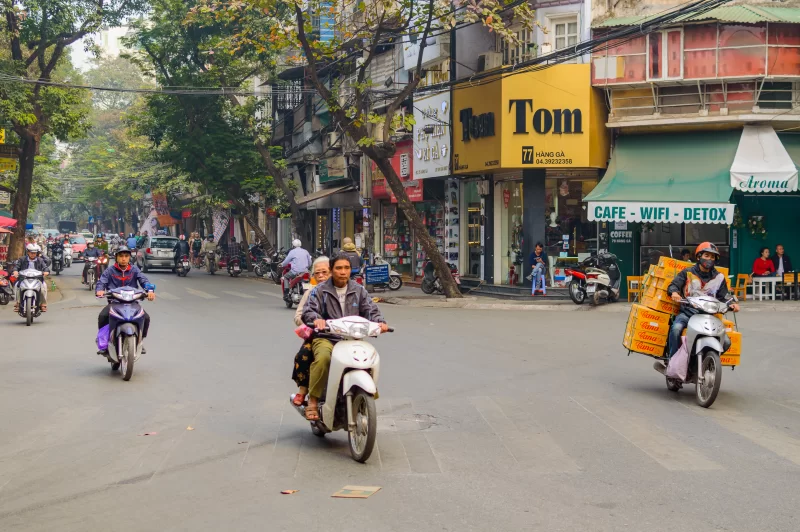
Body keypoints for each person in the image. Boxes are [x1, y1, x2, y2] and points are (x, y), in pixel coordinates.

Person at [301, 253, 389, 421]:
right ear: (332, 270)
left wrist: (380, 322)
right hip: (327, 337)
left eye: (346, 268)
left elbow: (371, 309)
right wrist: (316, 319)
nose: (343, 272)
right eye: (339, 268)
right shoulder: (320, 290)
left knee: (368, 359)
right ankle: (312, 400)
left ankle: (366, 396)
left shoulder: (359, 290)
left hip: (352, 338)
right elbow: (309, 310)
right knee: (323, 359)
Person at [664, 242, 739, 365]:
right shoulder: (687, 272)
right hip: (688, 314)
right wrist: (674, 293)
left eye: (712, 257)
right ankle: (673, 362)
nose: (709, 259)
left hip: (709, 316)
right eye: (706, 255)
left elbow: (724, 296)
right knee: (676, 329)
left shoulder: (719, 277)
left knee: (726, 342)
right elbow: (673, 285)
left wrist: (732, 303)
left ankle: (707, 362)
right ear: (699, 257)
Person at [95, 246, 155, 355]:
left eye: (126, 256)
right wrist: (100, 290)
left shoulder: (134, 270)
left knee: (146, 317)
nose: (123, 258)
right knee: (103, 316)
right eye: (121, 256)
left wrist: (149, 290)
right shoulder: (110, 270)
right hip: (115, 302)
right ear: (116, 257)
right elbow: (101, 282)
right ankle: (103, 342)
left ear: (129, 258)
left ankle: (140, 341)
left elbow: (143, 280)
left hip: (132, 302)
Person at [291, 256, 331, 406]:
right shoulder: (311, 293)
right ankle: (303, 390)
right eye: (317, 273)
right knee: (304, 356)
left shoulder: (345, 291)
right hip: (318, 336)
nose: (321, 276)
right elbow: (298, 316)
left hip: (343, 335)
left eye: (324, 272)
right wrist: (312, 322)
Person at [11, 244, 50, 312]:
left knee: (44, 286)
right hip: (23, 278)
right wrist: (15, 271)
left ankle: (43, 304)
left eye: (34, 253)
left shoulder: (40, 260)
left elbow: (45, 268)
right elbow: (17, 267)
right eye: (31, 252)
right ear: (28, 252)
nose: (33, 254)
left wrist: (46, 272)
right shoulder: (22, 259)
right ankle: (18, 302)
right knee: (17, 285)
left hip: (37, 279)